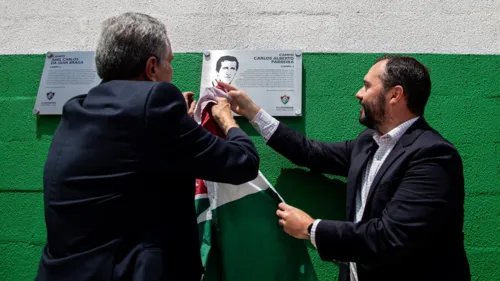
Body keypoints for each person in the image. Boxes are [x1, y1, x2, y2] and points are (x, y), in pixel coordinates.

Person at [35, 12, 259, 281]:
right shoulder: (155, 103)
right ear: (152, 67)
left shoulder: (78, 107)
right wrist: (227, 122)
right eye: (170, 63)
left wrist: (179, 125)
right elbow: (242, 163)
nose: (172, 71)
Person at [217, 55, 470, 281]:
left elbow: (390, 237)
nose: (359, 93)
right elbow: (310, 152)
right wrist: (252, 113)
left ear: (395, 95)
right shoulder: (367, 143)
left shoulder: (433, 156)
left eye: (368, 86)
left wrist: (310, 229)